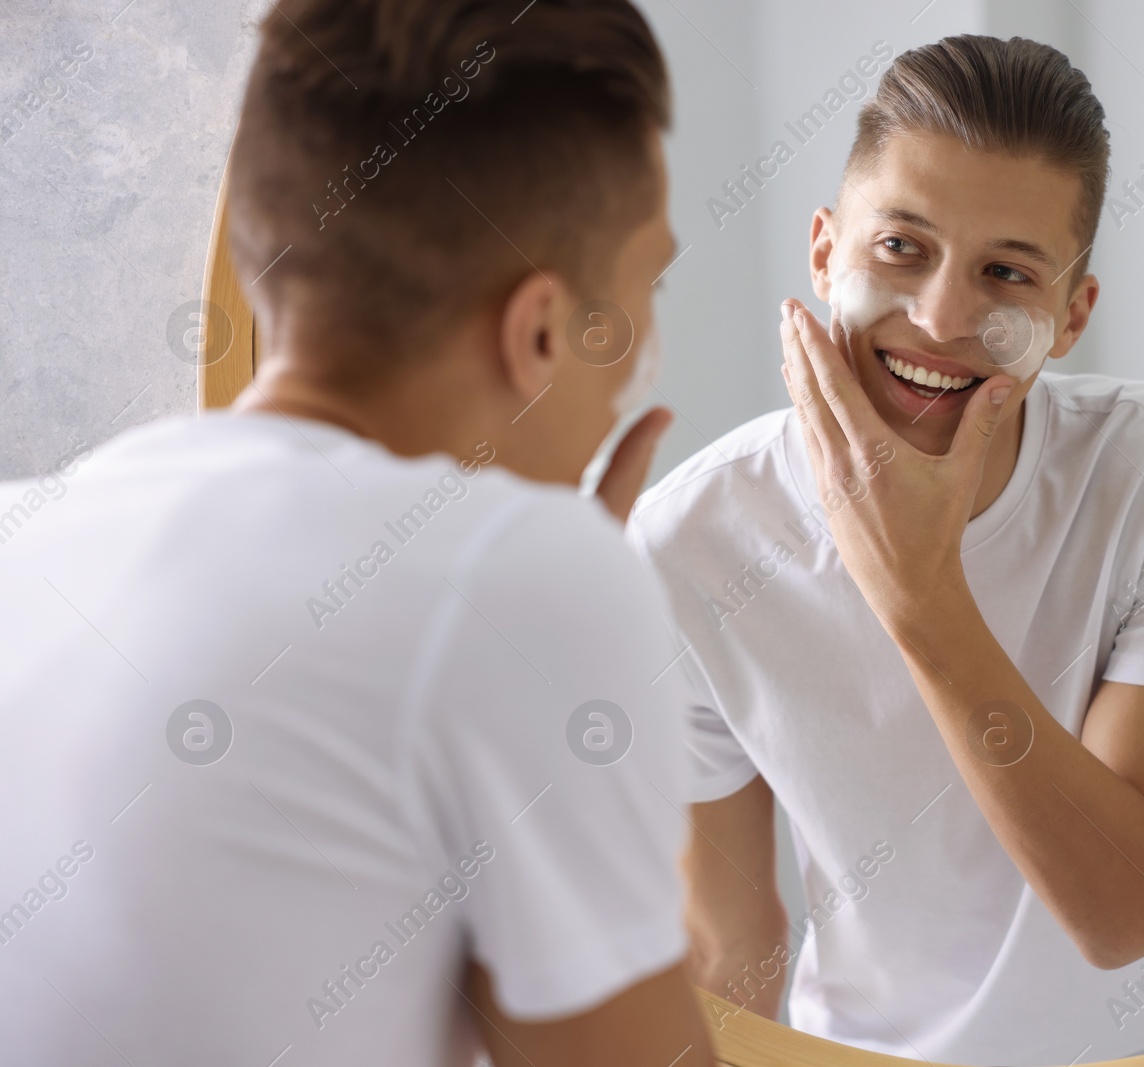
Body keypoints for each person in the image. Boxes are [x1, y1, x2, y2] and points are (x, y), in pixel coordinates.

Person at [0, 1, 715, 1064]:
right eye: (641, 294)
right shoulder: (519, 581)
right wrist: (548, 615)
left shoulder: (29, 534)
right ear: (540, 329)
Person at [629, 34, 1144, 1065]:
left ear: (1070, 316)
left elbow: (1121, 914)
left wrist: (917, 592)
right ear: (822, 252)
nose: (941, 317)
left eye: (1007, 273)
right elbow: (726, 944)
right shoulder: (691, 539)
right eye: (900, 248)